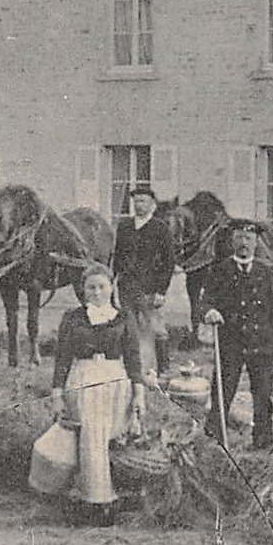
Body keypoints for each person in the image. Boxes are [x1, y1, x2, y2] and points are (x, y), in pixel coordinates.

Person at [42, 263, 147, 523]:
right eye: (91, 287)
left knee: (111, 438)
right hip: (84, 379)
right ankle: (96, 502)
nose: (97, 292)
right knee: (91, 437)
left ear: (111, 287)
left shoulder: (123, 318)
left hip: (115, 381)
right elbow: (63, 358)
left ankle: (115, 496)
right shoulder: (73, 318)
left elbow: (134, 359)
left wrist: (139, 394)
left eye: (102, 286)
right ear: (84, 290)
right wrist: (56, 394)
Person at [202, 219, 273, 450]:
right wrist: (209, 311)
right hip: (230, 343)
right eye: (239, 238)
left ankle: (262, 441)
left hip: (262, 345)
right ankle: (214, 439)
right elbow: (206, 300)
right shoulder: (219, 270)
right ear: (232, 242)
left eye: (248, 239)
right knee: (222, 391)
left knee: (262, 396)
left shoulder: (267, 274)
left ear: (256, 242)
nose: (244, 243)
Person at [112, 185, 175, 383]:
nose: (139, 205)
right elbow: (118, 256)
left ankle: (164, 369)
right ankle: (133, 368)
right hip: (126, 286)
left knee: (156, 329)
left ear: (152, 205)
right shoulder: (124, 226)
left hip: (149, 288)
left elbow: (168, 261)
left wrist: (161, 291)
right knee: (129, 328)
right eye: (136, 201)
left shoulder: (160, 228)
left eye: (143, 201)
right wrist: (112, 281)